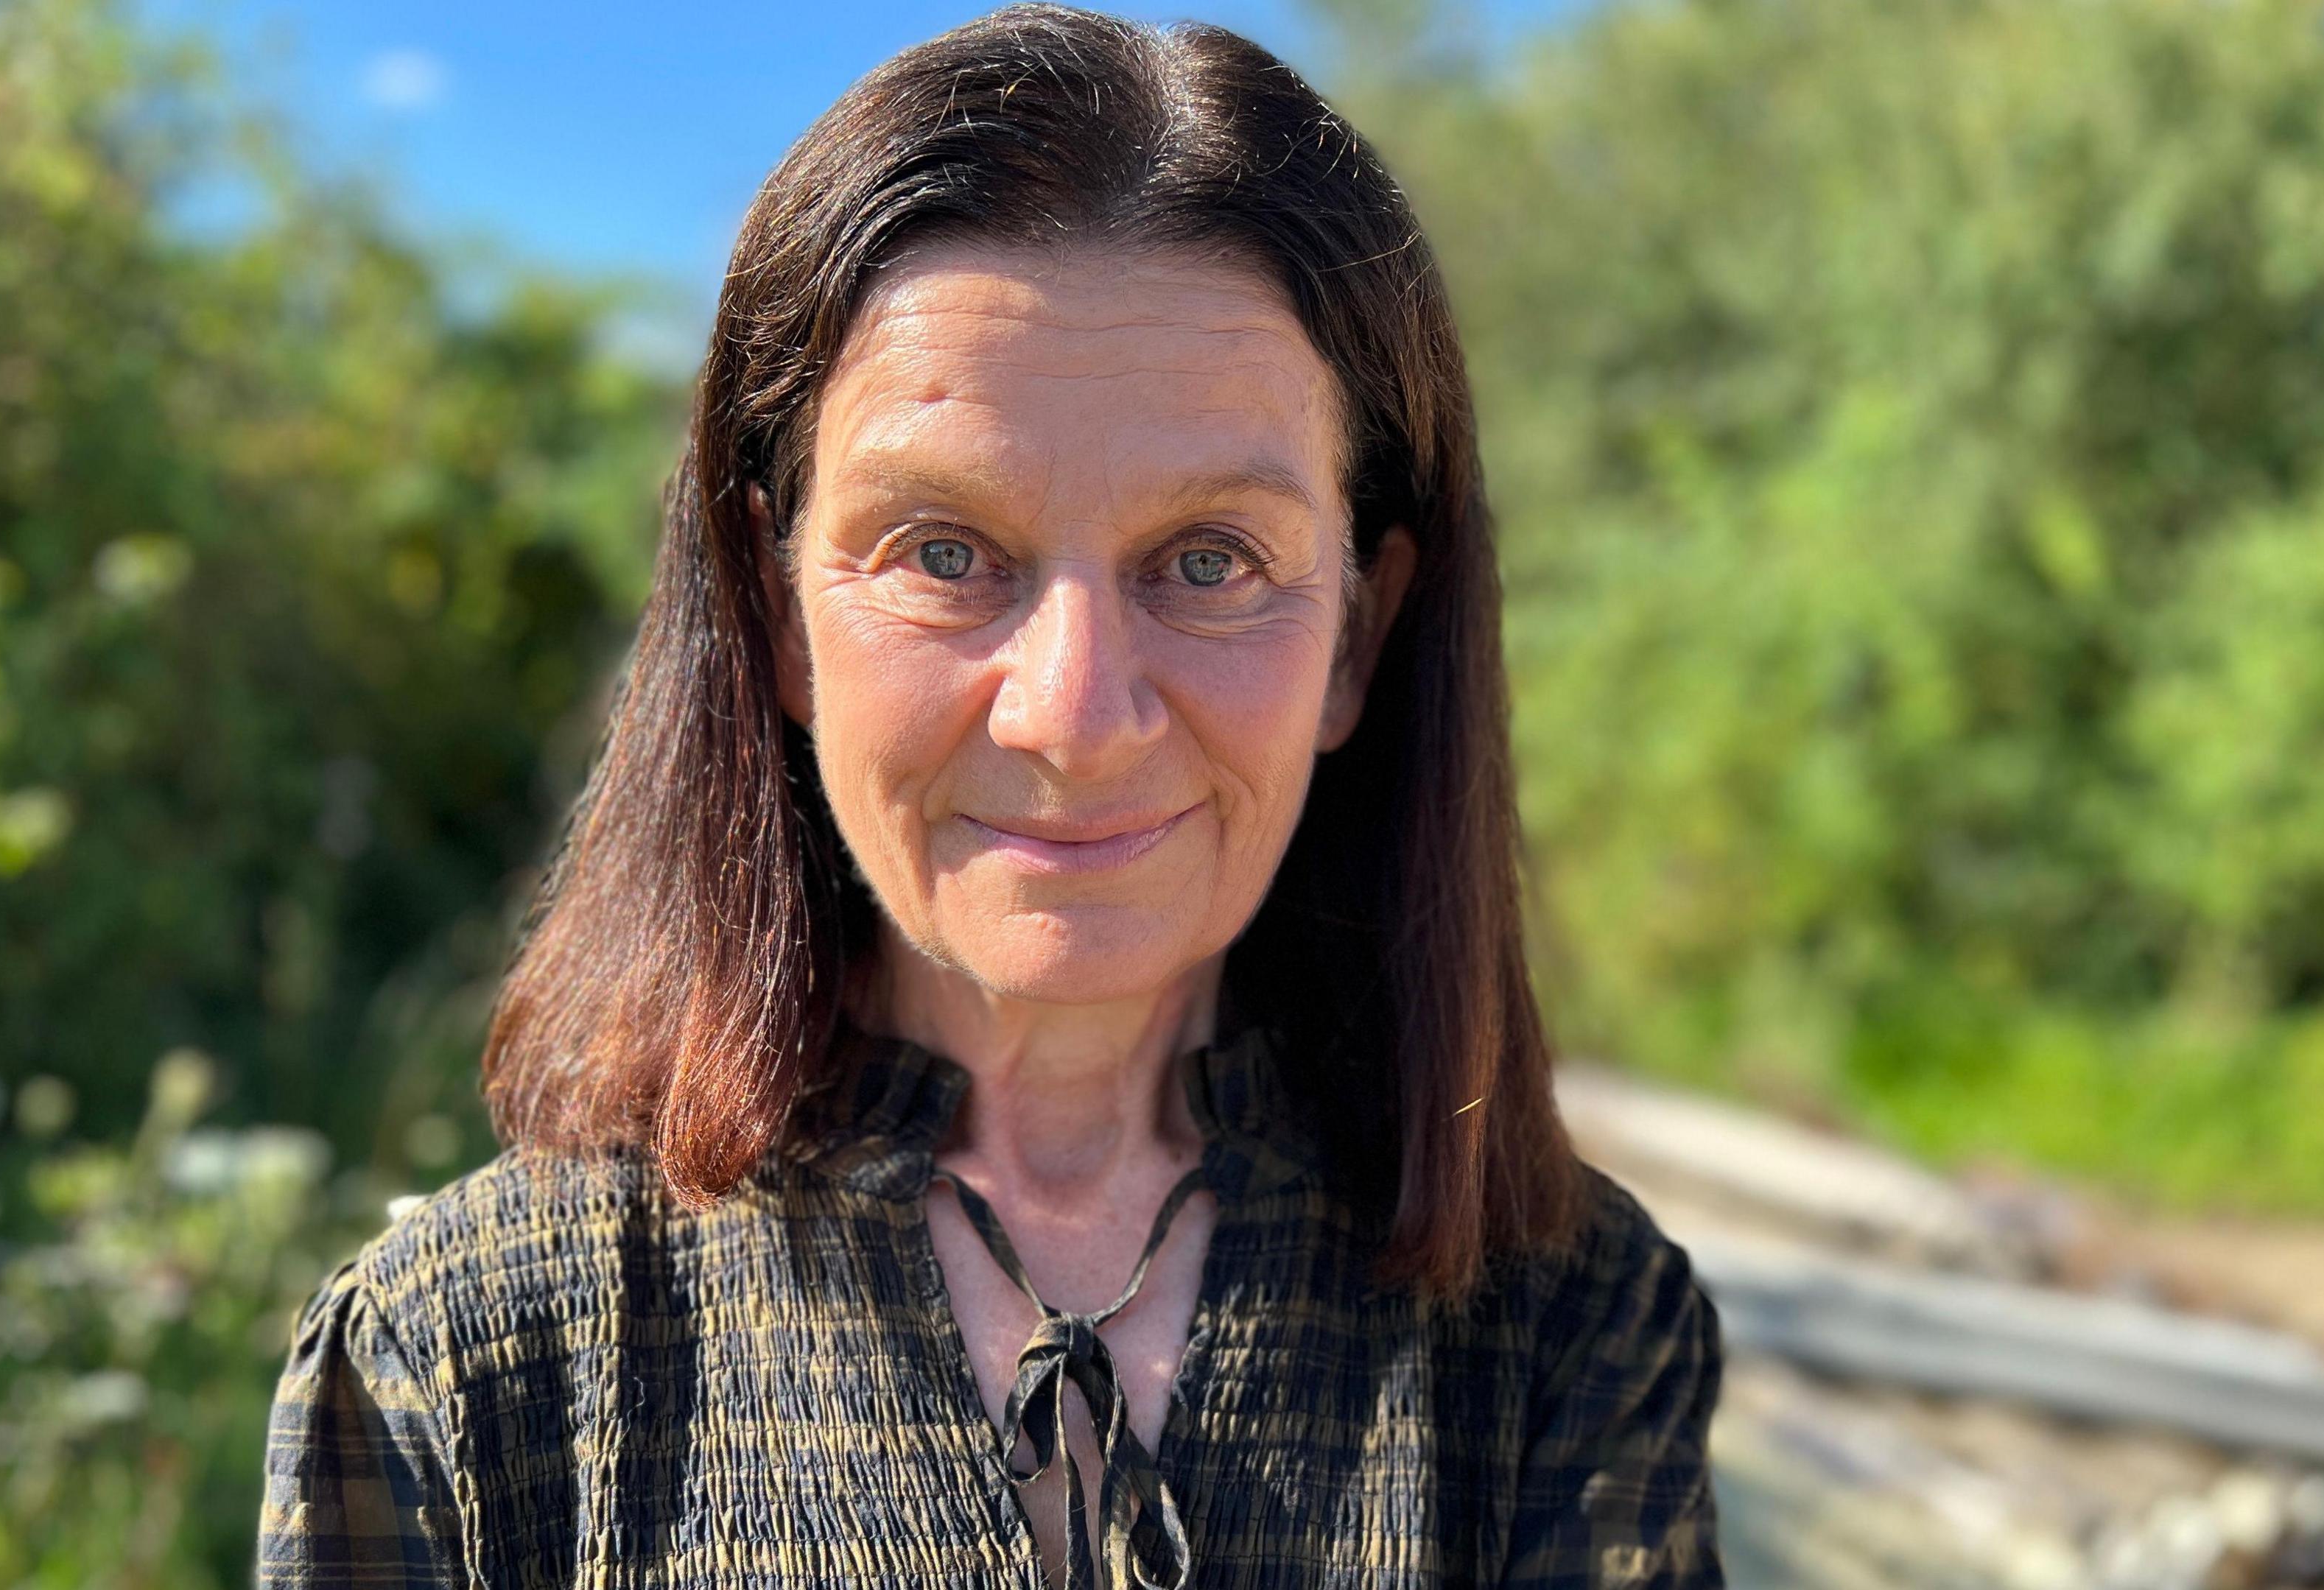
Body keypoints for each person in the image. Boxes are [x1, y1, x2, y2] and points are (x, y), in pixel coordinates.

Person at [253, 6, 1724, 1586]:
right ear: (775, 609)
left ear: (1357, 637)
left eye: (1211, 562)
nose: (1075, 715)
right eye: (946, 554)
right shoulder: (472, 1370)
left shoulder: (1566, 1341)